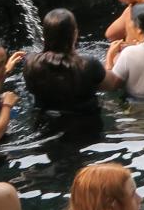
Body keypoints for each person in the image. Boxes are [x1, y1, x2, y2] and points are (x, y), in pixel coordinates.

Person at [20, 8, 105, 142]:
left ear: (45, 35)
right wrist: (111, 58)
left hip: (45, 130)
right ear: (74, 33)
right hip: (86, 130)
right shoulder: (88, 64)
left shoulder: (30, 63)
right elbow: (112, 83)